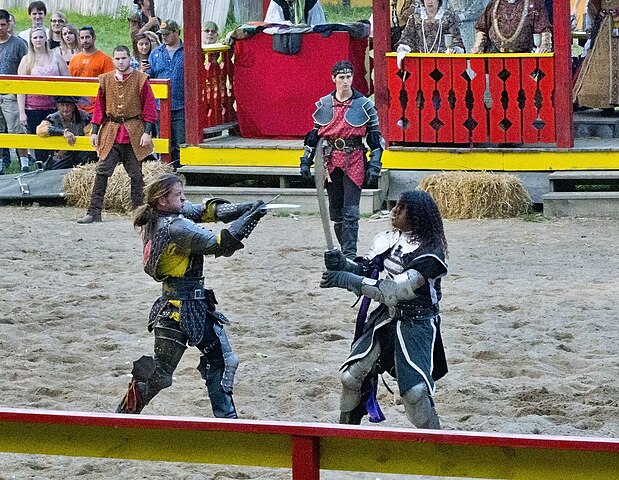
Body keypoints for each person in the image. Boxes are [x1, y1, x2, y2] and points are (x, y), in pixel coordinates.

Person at [115, 173, 267, 417]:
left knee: (167, 371)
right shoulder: (176, 226)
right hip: (187, 308)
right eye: (178, 195)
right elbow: (221, 243)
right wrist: (251, 218)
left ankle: (122, 415)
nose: (184, 198)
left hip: (175, 305)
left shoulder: (159, 218)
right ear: (162, 200)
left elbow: (205, 211)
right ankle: (227, 422)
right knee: (215, 363)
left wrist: (243, 207)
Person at [320, 189, 449, 429]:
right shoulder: (388, 239)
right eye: (395, 205)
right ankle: (345, 435)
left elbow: (393, 292)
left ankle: (434, 442)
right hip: (385, 320)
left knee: (414, 393)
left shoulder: (431, 254)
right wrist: (344, 264)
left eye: (402, 208)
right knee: (350, 377)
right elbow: (367, 270)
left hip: (416, 324)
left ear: (418, 216)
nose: (394, 211)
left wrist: (346, 279)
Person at [299, 60, 384, 259]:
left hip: (354, 157)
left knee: (351, 211)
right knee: (336, 211)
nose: (346, 81)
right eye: (342, 77)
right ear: (334, 79)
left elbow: (374, 138)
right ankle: (344, 251)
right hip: (330, 160)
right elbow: (314, 136)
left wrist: (375, 164)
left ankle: (350, 254)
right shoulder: (324, 104)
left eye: (349, 77)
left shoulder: (364, 105)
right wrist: (305, 161)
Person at [77, 45, 157, 224]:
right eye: (118, 59)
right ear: (113, 60)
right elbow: (99, 108)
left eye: (124, 58)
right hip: (111, 131)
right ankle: (94, 212)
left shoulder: (141, 79)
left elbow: (149, 107)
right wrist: (95, 131)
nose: (121, 62)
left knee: (136, 174)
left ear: (129, 59)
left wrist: (147, 132)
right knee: (102, 171)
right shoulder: (105, 80)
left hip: (133, 131)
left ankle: (139, 213)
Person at [17, 27, 70, 165]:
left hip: (54, 107)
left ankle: (56, 165)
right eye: (35, 37)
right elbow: (20, 87)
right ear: (31, 40)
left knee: (56, 136)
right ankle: (40, 165)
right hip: (33, 108)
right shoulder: (26, 60)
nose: (38, 40)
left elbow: (68, 80)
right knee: (39, 138)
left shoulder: (56, 57)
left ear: (46, 38)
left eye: (41, 37)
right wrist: (22, 112)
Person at [148, 19, 184, 170]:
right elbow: (150, 73)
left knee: (180, 142)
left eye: (167, 34)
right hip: (159, 105)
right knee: (163, 142)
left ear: (177, 33)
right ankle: (165, 171)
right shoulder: (156, 53)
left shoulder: (187, 51)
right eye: (162, 34)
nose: (164, 37)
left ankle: (182, 170)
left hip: (181, 104)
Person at [572, 0, 619, 111]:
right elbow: (592, 9)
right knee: (600, 62)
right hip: (604, 30)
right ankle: (604, 102)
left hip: (612, 26)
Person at [0, 9, 29, 174]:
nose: (0, 28)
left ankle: (24, 162)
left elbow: (26, 66)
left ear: (8, 24)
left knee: (17, 128)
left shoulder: (18, 44)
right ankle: (0, 165)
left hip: (12, 94)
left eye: (3, 24)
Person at [396, 0, 465, 63]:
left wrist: (454, 49)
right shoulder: (415, 18)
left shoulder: (448, 17)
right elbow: (406, 37)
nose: (429, 2)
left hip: (444, 62)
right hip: (420, 62)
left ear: (438, 1)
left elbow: (457, 38)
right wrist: (403, 48)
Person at [35, 95, 94, 170]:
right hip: (61, 154)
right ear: (58, 106)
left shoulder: (84, 116)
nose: (65, 109)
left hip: (81, 153)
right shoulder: (53, 118)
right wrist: (63, 132)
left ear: (73, 106)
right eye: (62, 105)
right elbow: (40, 130)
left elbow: (89, 134)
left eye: (68, 105)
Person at [471, 0, 552, 53]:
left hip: (523, 59)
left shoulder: (534, 3)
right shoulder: (494, 3)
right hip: (496, 58)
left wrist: (545, 45)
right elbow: (482, 28)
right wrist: (478, 46)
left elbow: (544, 28)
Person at [68, 26, 114, 114]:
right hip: (76, 109)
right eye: (82, 38)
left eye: (87, 37)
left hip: (97, 108)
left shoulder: (105, 59)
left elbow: (110, 85)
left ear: (94, 37)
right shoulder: (74, 59)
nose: (85, 40)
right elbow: (70, 83)